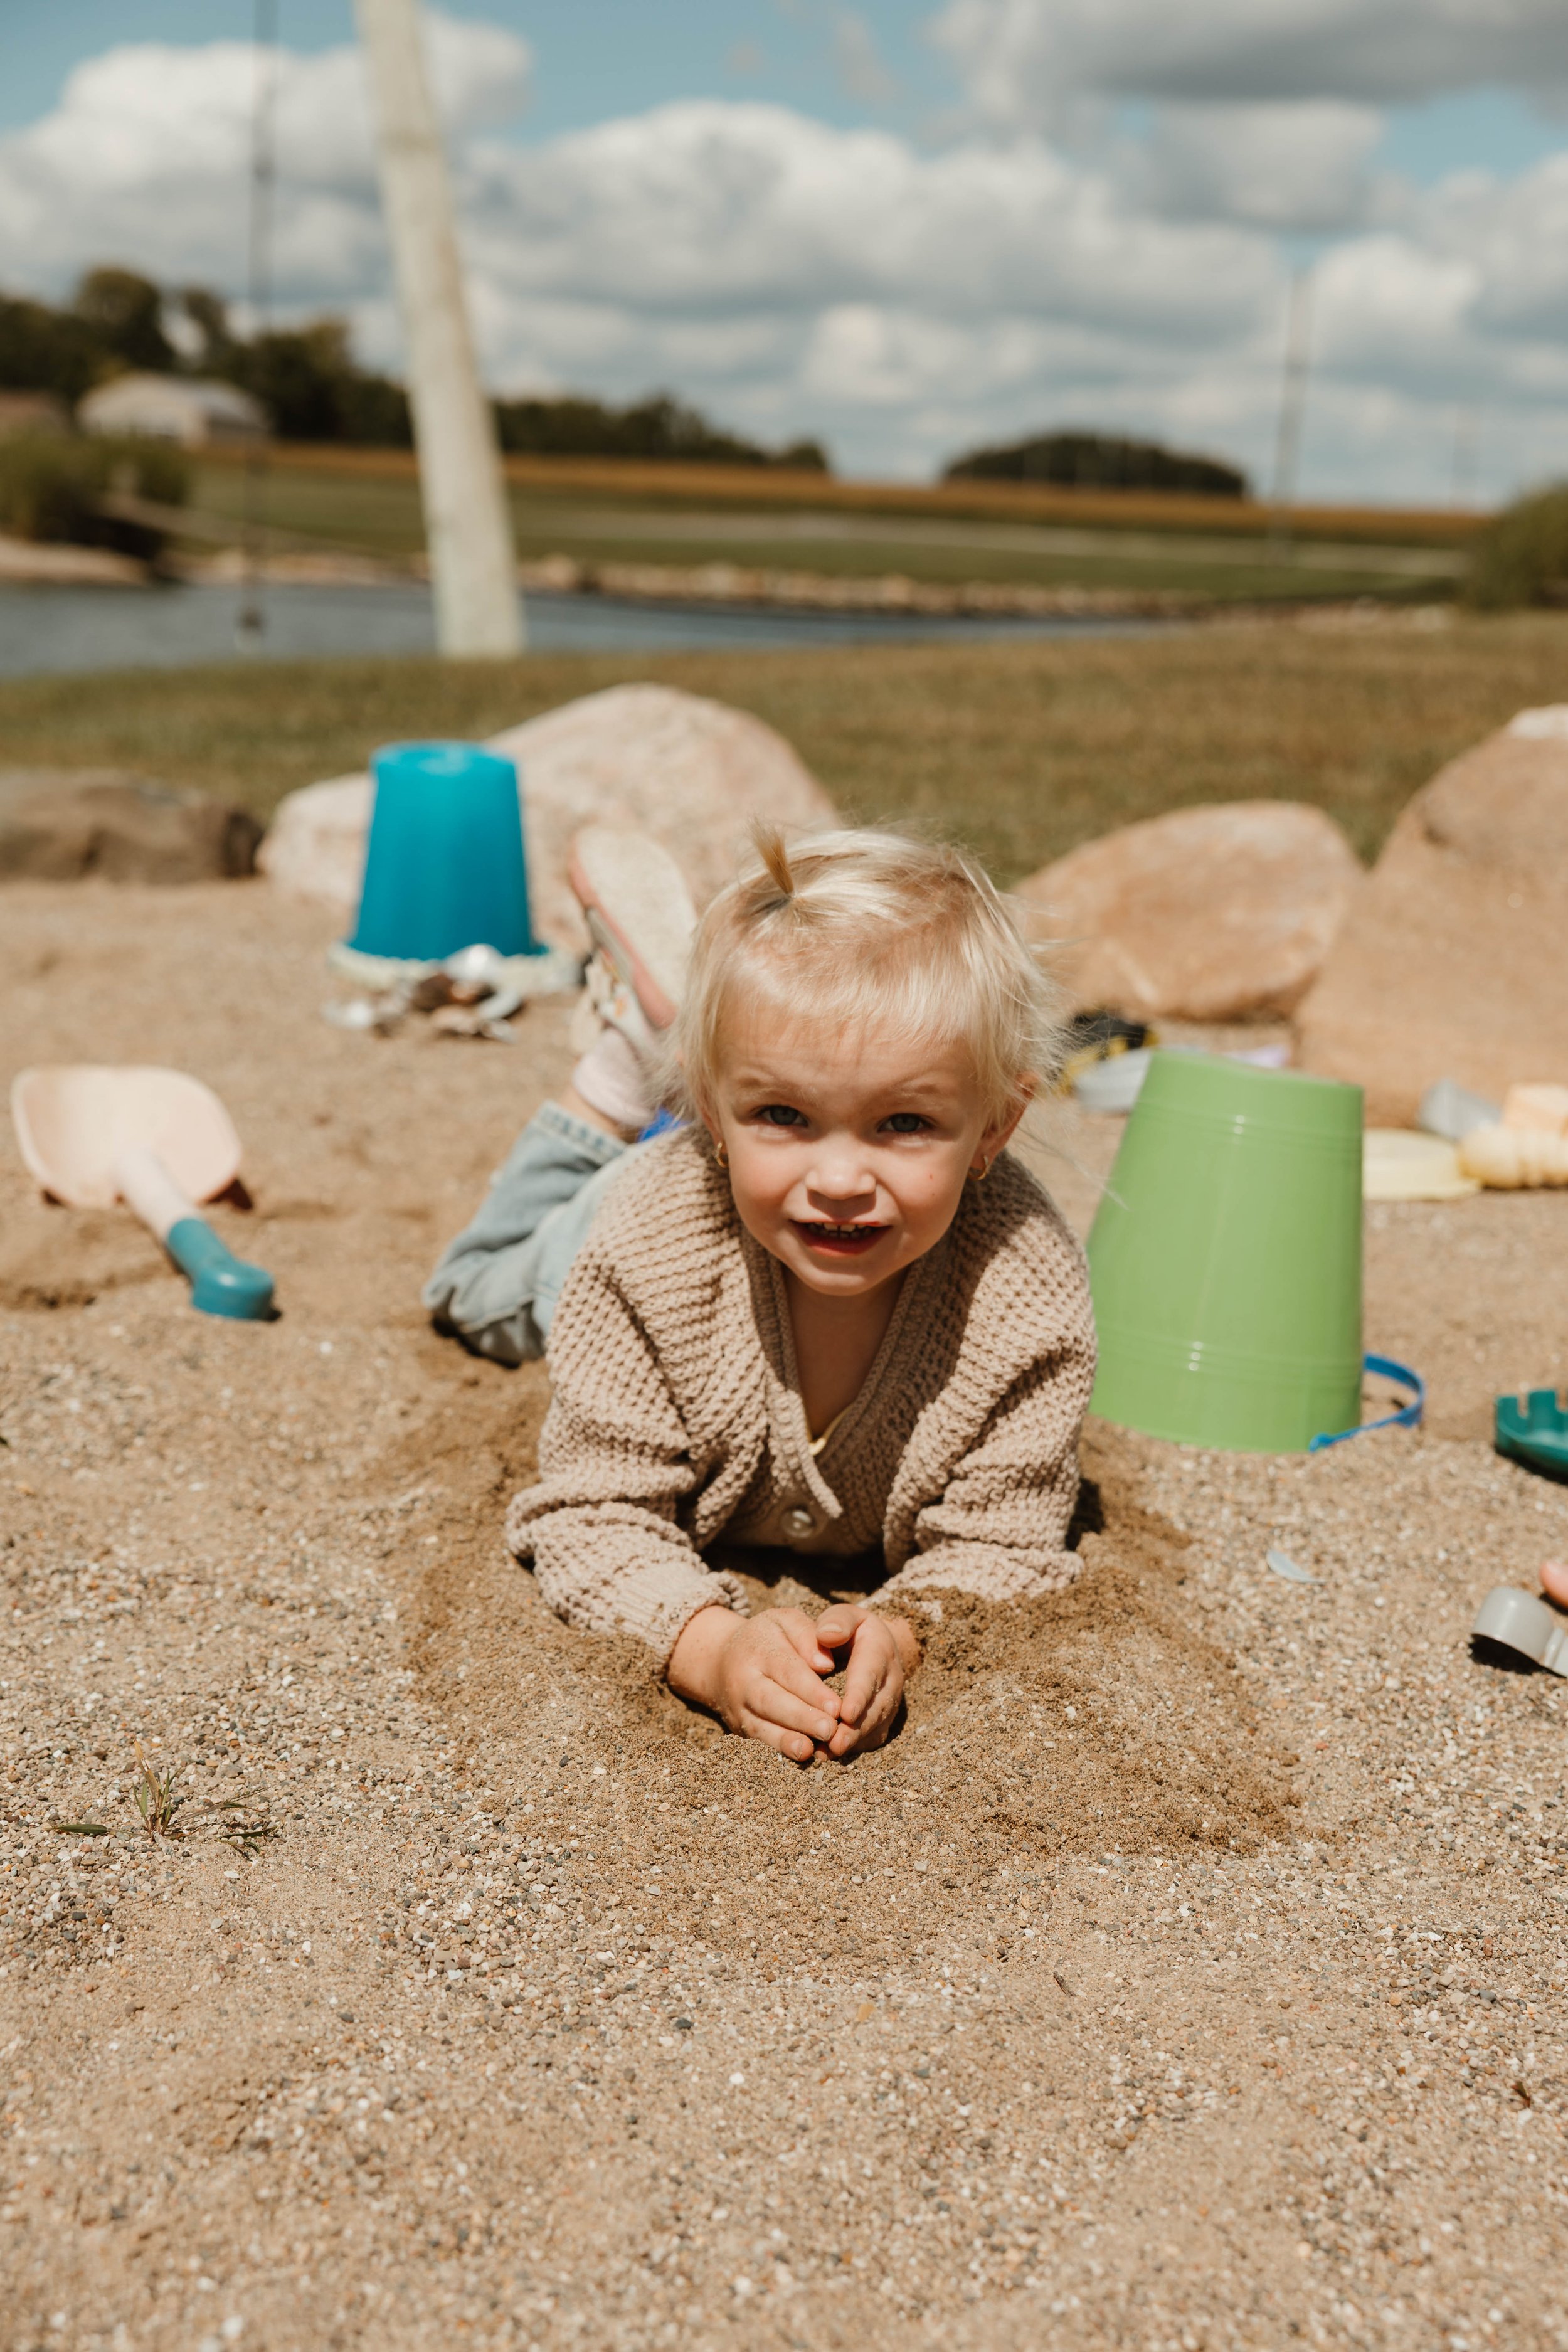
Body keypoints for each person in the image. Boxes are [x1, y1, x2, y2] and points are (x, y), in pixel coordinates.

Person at [426, 822, 1097, 1765]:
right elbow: (590, 1510)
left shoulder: (1024, 1297)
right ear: (714, 1112)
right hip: (616, 1231)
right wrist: (705, 1645)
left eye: (903, 1122)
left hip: (733, 1187)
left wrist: (905, 1629)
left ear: (994, 1126)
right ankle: (622, 1073)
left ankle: (691, 1049)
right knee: (476, 1295)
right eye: (784, 1114)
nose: (837, 1177)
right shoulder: (649, 1249)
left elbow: (1011, 1542)